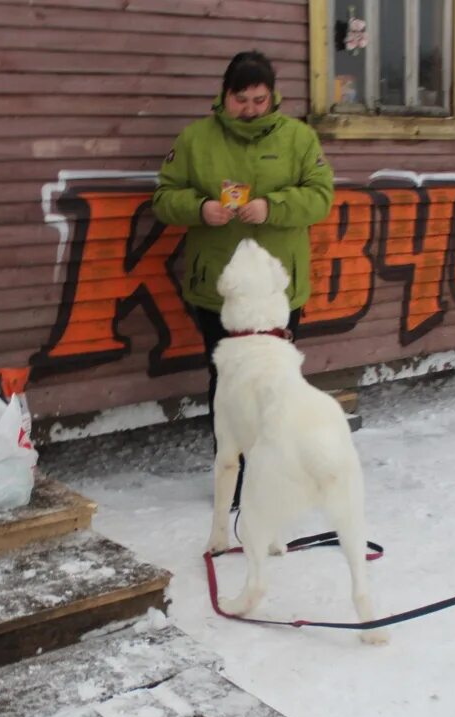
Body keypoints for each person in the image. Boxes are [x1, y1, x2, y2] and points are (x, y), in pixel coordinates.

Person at [153, 50, 334, 505]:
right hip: (217, 291)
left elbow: (320, 197)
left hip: (278, 293)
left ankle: (275, 475)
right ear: (224, 96)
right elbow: (163, 197)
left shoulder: (300, 138)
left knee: (276, 384)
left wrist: (274, 207)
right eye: (241, 99)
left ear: (273, 97)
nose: (250, 108)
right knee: (228, 385)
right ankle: (232, 478)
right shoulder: (196, 139)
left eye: (259, 99)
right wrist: (199, 208)